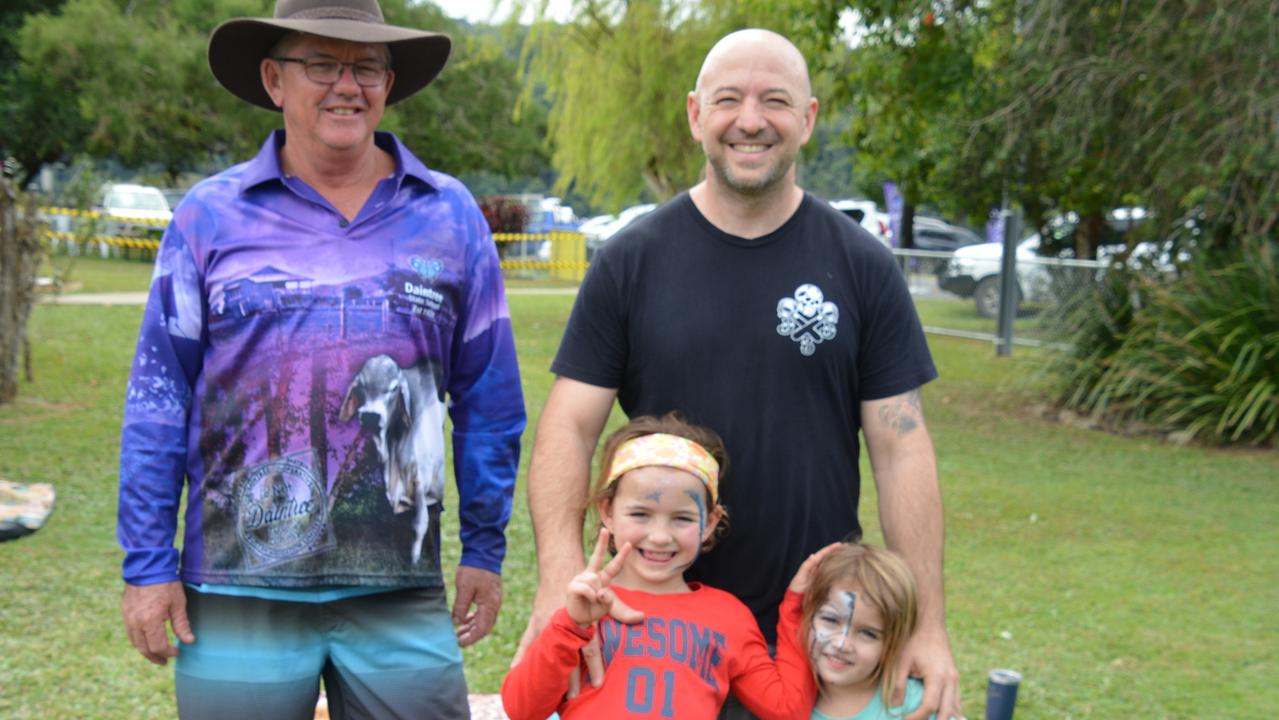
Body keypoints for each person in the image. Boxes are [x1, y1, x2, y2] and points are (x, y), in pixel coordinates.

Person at [516, 27, 961, 720]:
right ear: (696, 114)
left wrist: (926, 625)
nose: (749, 120)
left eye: (774, 101)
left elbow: (901, 447)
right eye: (728, 100)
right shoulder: (631, 261)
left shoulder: (861, 265)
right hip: (650, 637)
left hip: (814, 645)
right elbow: (568, 429)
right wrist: (556, 583)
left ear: (808, 119)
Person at [116, 2, 525, 718]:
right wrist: (148, 565)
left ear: (388, 82)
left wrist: (485, 550)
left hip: (401, 590)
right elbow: (158, 401)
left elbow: (490, 402)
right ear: (274, 79)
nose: (346, 84)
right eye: (321, 64)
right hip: (236, 589)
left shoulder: (450, 215)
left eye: (365, 66)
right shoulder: (208, 218)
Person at [502, 414, 832, 719]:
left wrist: (796, 606)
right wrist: (569, 626)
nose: (660, 536)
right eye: (641, 514)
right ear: (607, 511)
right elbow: (522, 709)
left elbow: (787, 708)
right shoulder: (583, 605)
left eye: (682, 518)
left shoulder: (729, 616)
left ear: (709, 522)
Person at [803, 543, 936, 720]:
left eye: (867, 633)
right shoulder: (780, 703)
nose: (841, 644)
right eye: (831, 620)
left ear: (893, 643)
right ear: (807, 613)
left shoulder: (915, 704)